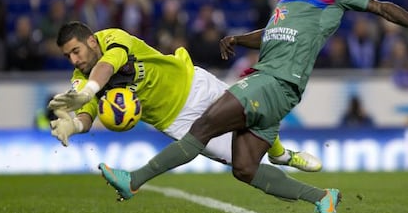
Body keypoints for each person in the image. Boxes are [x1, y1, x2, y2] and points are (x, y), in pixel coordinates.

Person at [58, 0, 408, 213]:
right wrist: (238, 39)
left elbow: (381, 7)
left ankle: (134, 180)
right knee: (244, 168)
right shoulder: (286, 0)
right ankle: (321, 196)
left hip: (275, 81)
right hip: (266, 79)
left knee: (205, 126)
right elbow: (272, 35)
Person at [47, 21, 321, 172]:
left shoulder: (114, 38)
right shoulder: (80, 78)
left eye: (76, 51)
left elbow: (108, 66)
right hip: (176, 120)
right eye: (67, 56)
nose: (74, 60)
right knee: (241, 161)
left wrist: (89, 91)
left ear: (92, 41)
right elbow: (88, 111)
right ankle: (280, 166)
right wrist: (76, 125)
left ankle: (282, 155)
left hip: (193, 82)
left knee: (250, 113)